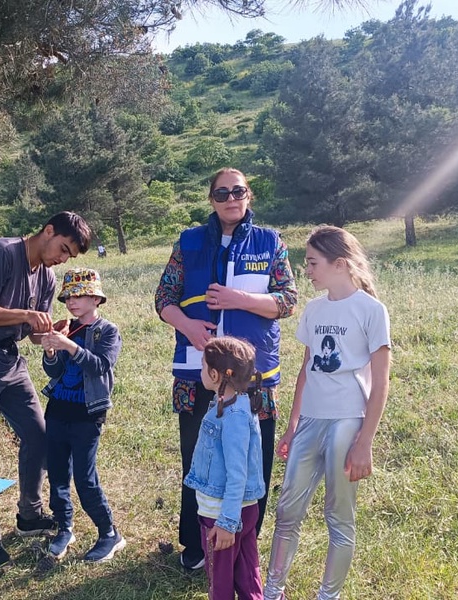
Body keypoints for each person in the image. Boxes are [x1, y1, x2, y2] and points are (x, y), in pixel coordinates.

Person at [155, 167, 297, 571]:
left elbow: (287, 300)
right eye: (222, 193)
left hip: (252, 376)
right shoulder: (189, 242)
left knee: (253, 459)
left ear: (248, 194)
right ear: (211, 199)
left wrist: (239, 299)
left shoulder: (270, 242)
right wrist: (187, 326)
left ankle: (242, 541)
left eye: (238, 191)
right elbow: (163, 296)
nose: (231, 198)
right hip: (198, 374)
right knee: (199, 460)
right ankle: (197, 543)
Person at [0, 211, 92, 568]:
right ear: (48, 231)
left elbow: (34, 332)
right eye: (63, 248)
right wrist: (26, 315)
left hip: (9, 363)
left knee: (39, 435)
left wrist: (52, 333)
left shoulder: (47, 278)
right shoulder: (1, 253)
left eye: (69, 255)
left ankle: (29, 514)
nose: (62, 258)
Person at [262, 226, 392, 600]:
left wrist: (364, 441)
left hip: (347, 421)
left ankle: (328, 595)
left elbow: (381, 382)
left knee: (338, 517)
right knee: (287, 511)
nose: (308, 270)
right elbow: (307, 370)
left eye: (314, 262)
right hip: (311, 421)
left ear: (340, 264)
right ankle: (273, 591)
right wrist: (292, 426)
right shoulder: (315, 309)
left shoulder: (371, 310)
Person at [39, 267, 125, 562]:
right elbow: (54, 371)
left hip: (87, 415)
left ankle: (110, 533)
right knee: (57, 473)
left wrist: (68, 345)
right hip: (57, 410)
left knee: (85, 478)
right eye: (67, 297)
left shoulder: (107, 331)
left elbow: (100, 365)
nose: (72, 302)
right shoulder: (67, 327)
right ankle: (64, 527)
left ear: (95, 299)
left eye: (79, 295)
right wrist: (51, 353)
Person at [184, 336, 266, 600]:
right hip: (241, 509)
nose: (200, 371)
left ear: (215, 374)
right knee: (247, 573)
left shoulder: (233, 418)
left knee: (220, 582)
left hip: (222, 513)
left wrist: (227, 523)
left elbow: (237, 472)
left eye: (202, 366)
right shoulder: (232, 405)